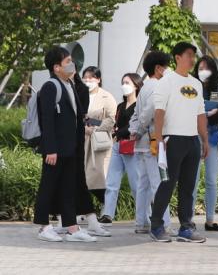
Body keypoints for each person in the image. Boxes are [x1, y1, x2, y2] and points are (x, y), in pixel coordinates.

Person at [33, 47, 100, 242]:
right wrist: (50, 149)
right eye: (68, 61)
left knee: (68, 188)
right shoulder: (50, 86)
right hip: (55, 150)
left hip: (71, 148)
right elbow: (47, 120)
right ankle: (44, 227)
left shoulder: (69, 84)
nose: (72, 64)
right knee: (48, 186)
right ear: (56, 67)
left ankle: (72, 228)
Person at [149, 42, 209, 243]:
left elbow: (201, 114)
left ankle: (186, 227)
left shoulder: (197, 84)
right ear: (177, 57)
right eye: (189, 55)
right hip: (172, 140)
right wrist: (158, 139)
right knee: (167, 184)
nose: (192, 59)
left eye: (194, 55)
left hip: (192, 141)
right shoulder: (166, 82)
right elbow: (159, 112)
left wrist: (204, 139)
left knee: (188, 187)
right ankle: (156, 226)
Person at [129, 51, 172, 235]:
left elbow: (136, 113)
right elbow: (149, 112)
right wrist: (139, 129)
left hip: (142, 144)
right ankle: (165, 223)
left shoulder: (145, 87)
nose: (168, 70)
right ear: (158, 68)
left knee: (143, 185)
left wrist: (134, 131)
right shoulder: (158, 87)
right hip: (153, 142)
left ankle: (141, 222)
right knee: (159, 184)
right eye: (166, 66)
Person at [191, 55, 218, 232]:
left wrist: (202, 115)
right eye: (200, 68)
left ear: (213, 70)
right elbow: (187, 113)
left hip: (212, 140)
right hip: (192, 137)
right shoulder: (191, 89)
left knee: (212, 180)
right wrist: (208, 113)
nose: (203, 72)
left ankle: (210, 220)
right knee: (192, 180)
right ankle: (188, 219)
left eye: (206, 68)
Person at [99, 73, 143, 224]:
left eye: (127, 83)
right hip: (118, 145)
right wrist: (114, 131)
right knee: (111, 181)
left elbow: (133, 126)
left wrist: (118, 132)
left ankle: (143, 214)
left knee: (136, 183)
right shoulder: (120, 106)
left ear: (136, 85)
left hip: (132, 146)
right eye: (123, 82)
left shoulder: (139, 106)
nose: (124, 86)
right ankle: (107, 214)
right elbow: (116, 124)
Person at [82, 66, 117, 210]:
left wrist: (95, 127)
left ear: (98, 79)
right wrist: (83, 128)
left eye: (91, 77)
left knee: (98, 177)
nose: (88, 81)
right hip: (81, 140)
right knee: (82, 177)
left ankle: (107, 207)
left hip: (98, 143)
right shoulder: (79, 95)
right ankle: (85, 210)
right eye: (85, 78)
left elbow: (112, 119)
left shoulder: (106, 97)